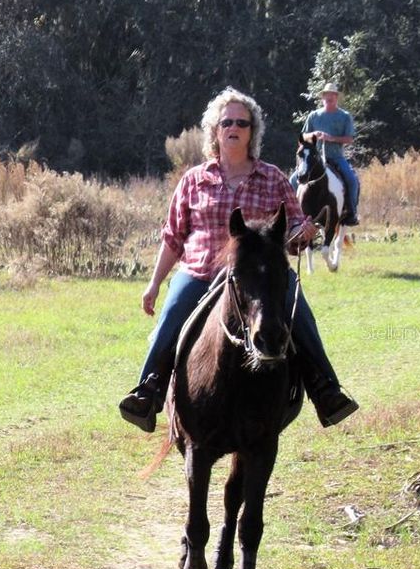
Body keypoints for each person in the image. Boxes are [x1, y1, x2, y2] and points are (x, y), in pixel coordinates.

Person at [118, 87, 358, 433]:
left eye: (241, 123)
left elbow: (291, 226)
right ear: (215, 130)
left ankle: (325, 387)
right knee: (171, 317)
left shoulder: (274, 177)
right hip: (200, 271)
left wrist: (303, 231)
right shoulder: (193, 180)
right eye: (226, 121)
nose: (233, 127)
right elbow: (173, 237)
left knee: (298, 310)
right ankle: (148, 389)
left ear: (252, 131)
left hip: (259, 277)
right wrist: (154, 284)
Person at [290, 82, 360, 225]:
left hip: (335, 157)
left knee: (352, 180)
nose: (328, 99)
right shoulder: (313, 116)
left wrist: (331, 138)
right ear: (322, 98)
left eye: (331, 97)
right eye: (326, 97)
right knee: (292, 180)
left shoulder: (345, 116)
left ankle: (351, 213)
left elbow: (349, 139)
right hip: (314, 159)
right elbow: (302, 138)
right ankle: (292, 214)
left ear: (336, 97)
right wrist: (313, 134)